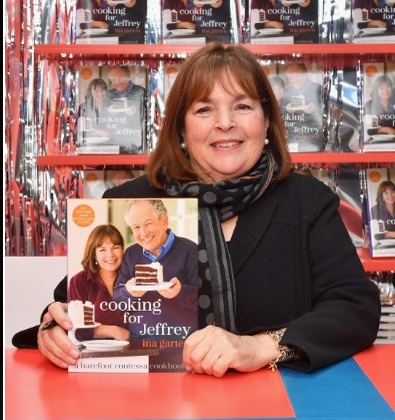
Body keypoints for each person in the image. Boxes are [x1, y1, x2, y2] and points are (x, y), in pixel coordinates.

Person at [37, 43, 380, 377]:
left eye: (243, 106)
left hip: (282, 412)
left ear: (266, 121)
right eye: (204, 110)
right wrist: (53, 327)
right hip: (154, 416)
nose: (225, 123)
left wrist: (262, 347)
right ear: (181, 128)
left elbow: (355, 308)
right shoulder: (132, 201)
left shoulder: (307, 200)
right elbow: (70, 303)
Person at [112, 200, 198, 337]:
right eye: (136, 227)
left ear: (164, 221)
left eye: (148, 224)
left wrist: (180, 292)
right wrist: (129, 292)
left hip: (181, 344)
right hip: (139, 344)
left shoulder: (191, 250)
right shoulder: (130, 254)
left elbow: (205, 301)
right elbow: (117, 301)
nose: (143, 233)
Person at [67, 224, 131, 342]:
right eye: (102, 249)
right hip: (93, 354)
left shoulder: (132, 279)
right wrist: (113, 331)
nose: (110, 254)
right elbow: (78, 329)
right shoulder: (79, 282)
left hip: (135, 353)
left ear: (122, 249)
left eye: (115, 247)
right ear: (94, 254)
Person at [104, 65, 146, 152]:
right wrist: (109, 114)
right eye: (113, 80)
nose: (116, 83)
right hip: (114, 145)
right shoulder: (109, 94)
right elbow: (102, 120)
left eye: (119, 79)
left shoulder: (141, 92)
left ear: (128, 76)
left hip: (137, 145)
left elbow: (148, 118)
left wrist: (137, 114)